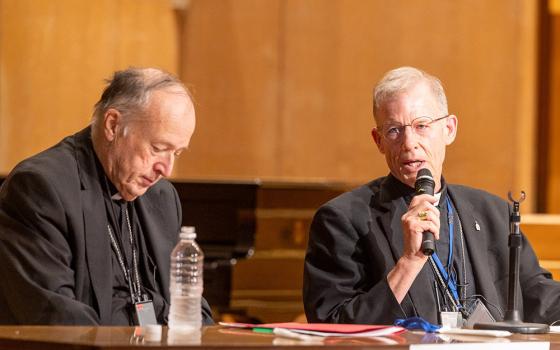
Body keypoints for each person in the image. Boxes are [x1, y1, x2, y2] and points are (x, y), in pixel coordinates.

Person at [303, 66, 560, 325]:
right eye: (393, 130)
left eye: (421, 125)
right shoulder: (342, 219)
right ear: (378, 140)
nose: (408, 143)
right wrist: (408, 263)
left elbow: (539, 296)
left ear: (449, 129)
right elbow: (333, 325)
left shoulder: (493, 213)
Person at [0, 67, 213, 325]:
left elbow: (192, 310)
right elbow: (56, 319)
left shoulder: (162, 197)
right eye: (158, 148)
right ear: (113, 125)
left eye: (176, 153)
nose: (165, 170)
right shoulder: (41, 188)